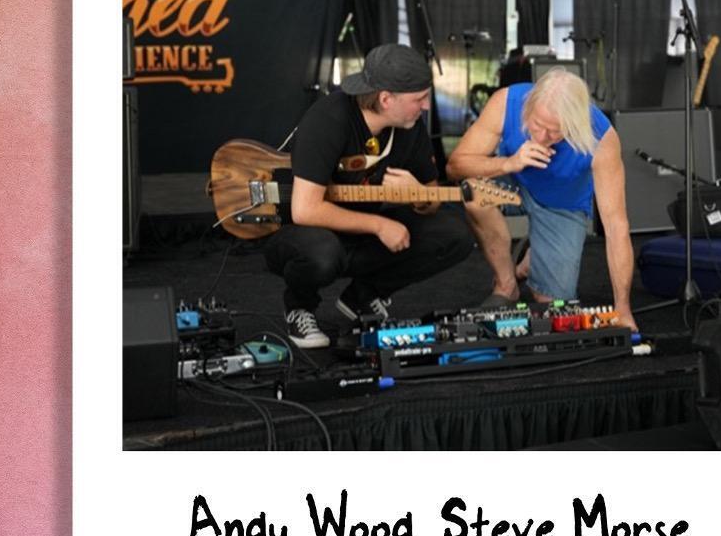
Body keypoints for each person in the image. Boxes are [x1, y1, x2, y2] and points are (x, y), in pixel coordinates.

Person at [264, 43, 474, 348]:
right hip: (303, 233)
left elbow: (433, 201)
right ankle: (299, 307)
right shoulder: (330, 118)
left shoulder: (410, 127)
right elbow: (305, 210)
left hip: (360, 229)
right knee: (322, 254)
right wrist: (379, 225)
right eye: (420, 99)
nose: (426, 106)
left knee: (454, 235)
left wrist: (416, 192)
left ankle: (362, 297)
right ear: (386, 99)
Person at [447, 66, 638, 330]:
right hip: (512, 181)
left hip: (561, 205)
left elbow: (617, 227)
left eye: (556, 132)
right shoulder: (507, 102)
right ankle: (506, 284)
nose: (542, 137)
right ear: (529, 108)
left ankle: (537, 252)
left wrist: (622, 308)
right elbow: (455, 166)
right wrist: (509, 163)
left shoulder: (602, 139)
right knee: (473, 190)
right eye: (537, 126)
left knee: (552, 305)